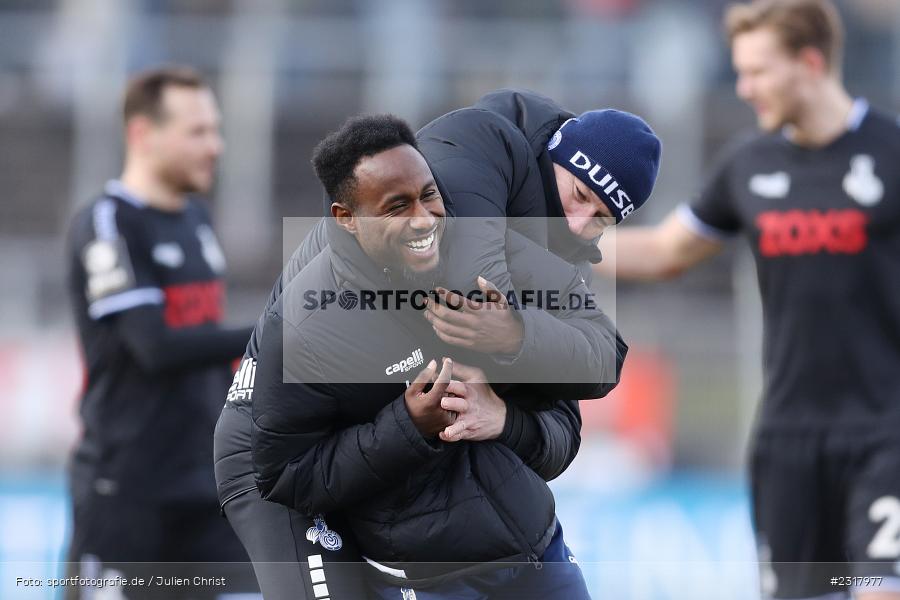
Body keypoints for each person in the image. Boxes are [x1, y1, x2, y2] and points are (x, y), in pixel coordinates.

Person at [245, 114, 633, 599]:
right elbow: (287, 475)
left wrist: (513, 355)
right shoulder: (306, 325)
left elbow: (602, 362)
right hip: (424, 578)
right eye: (396, 207)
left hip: (539, 552)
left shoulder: (491, 249)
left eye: (429, 194)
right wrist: (408, 425)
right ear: (347, 218)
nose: (425, 219)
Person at [596, 2, 900, 599]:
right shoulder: (749, 164)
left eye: (758, 72)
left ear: (809, 62)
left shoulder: (892, 152)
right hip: (787, 438)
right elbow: (665, 251)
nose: (744, 88)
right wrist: (540, 250)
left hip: (884, 434)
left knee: (875, 589)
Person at [65, 66, 256, 598]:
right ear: (143, 135)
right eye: (197, 131)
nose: (215, 145)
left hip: (203, 482)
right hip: (127, 490)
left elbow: (208, 341)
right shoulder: (108, 224)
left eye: (215, 129)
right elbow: (154, 348)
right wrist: (269, 335)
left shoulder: (198, 216)